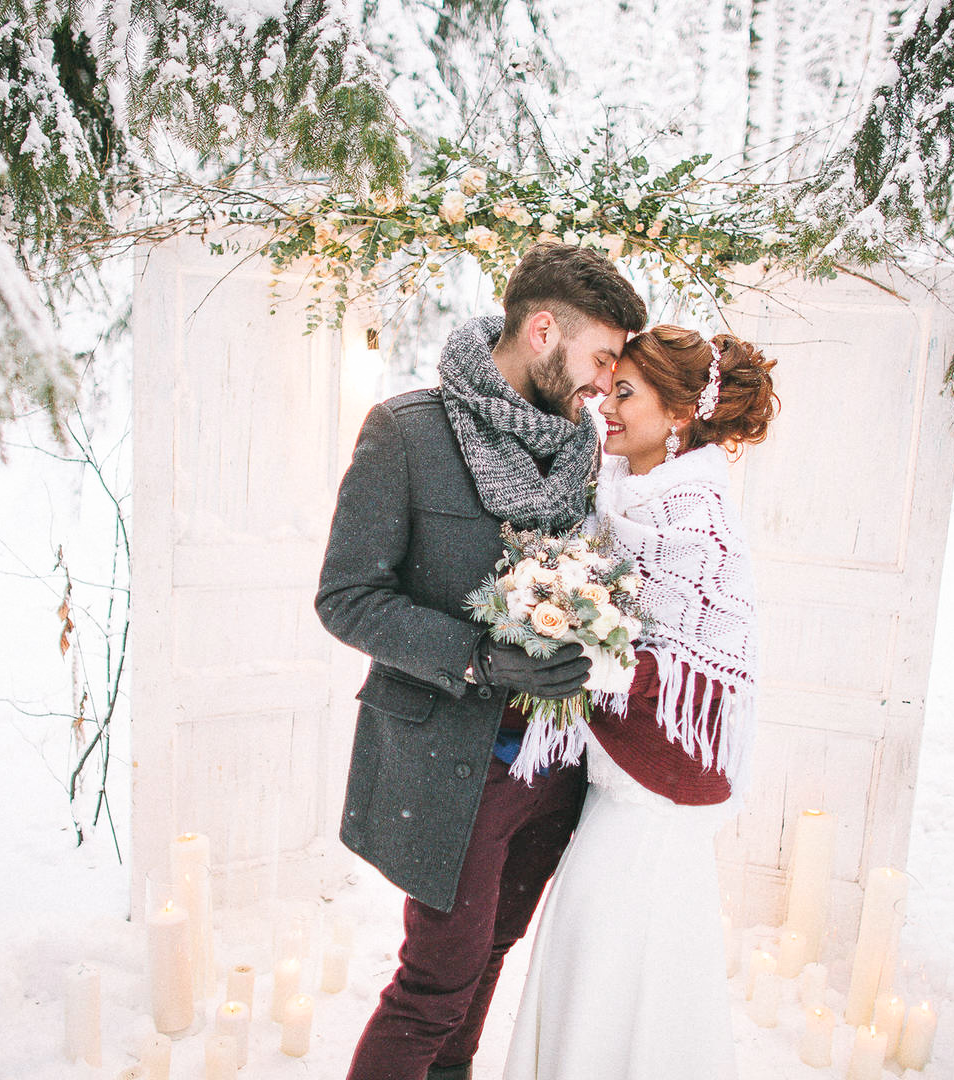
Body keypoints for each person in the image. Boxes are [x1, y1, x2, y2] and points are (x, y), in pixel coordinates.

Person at [315, 242, 648, 1080]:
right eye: (600, 358)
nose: (606, 385)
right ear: (542, 330)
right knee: (434, 983)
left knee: (490, 960)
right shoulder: (406, 433)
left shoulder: (584, 453)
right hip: (449, 765)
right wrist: (478, 657)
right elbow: (346, 596)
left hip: (553, 766)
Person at [502, 324, 778, 1080]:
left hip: (655, 798)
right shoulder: (622, 493)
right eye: (608, 390)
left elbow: (686, 656)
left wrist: (584, 654)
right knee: (591, 956)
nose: (606, 408)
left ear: (680, 413)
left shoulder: (697, 513)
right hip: (612, 783)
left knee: (621, 967)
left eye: (625, 394)